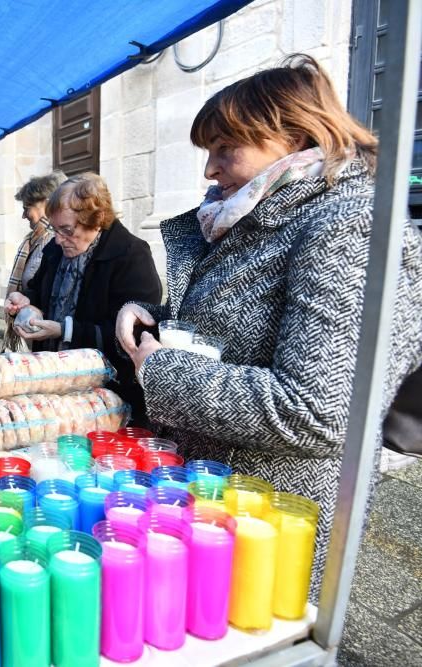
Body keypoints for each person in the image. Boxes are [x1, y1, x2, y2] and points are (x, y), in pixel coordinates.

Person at [114, 55, 422, 602]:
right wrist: (155, 319)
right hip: (220, 497)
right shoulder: (260, 215)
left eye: (224, 149)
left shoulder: (348, 223)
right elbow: (238, 332)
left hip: (272, 518)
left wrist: (160, 370)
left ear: (295, 135)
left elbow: (317, 412)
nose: (209, 170)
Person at [4, 174, 161, 419]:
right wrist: (27, 303)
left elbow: (134, 336)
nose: (58, 239)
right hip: (53, 385)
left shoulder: (131, 255)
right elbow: (36, 289)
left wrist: (64, 330)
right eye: (55, 229)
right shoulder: (54, 248)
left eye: (66, 230)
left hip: (106, 400)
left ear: (96, 219)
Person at [5, 172, 63, 349]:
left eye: (26, 208)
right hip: (37, 332)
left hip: (55, 341)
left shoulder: (56, 240)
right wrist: (22, 298)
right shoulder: (33, 239)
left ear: (46, 203)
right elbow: (37, 288)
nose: (24, 215)